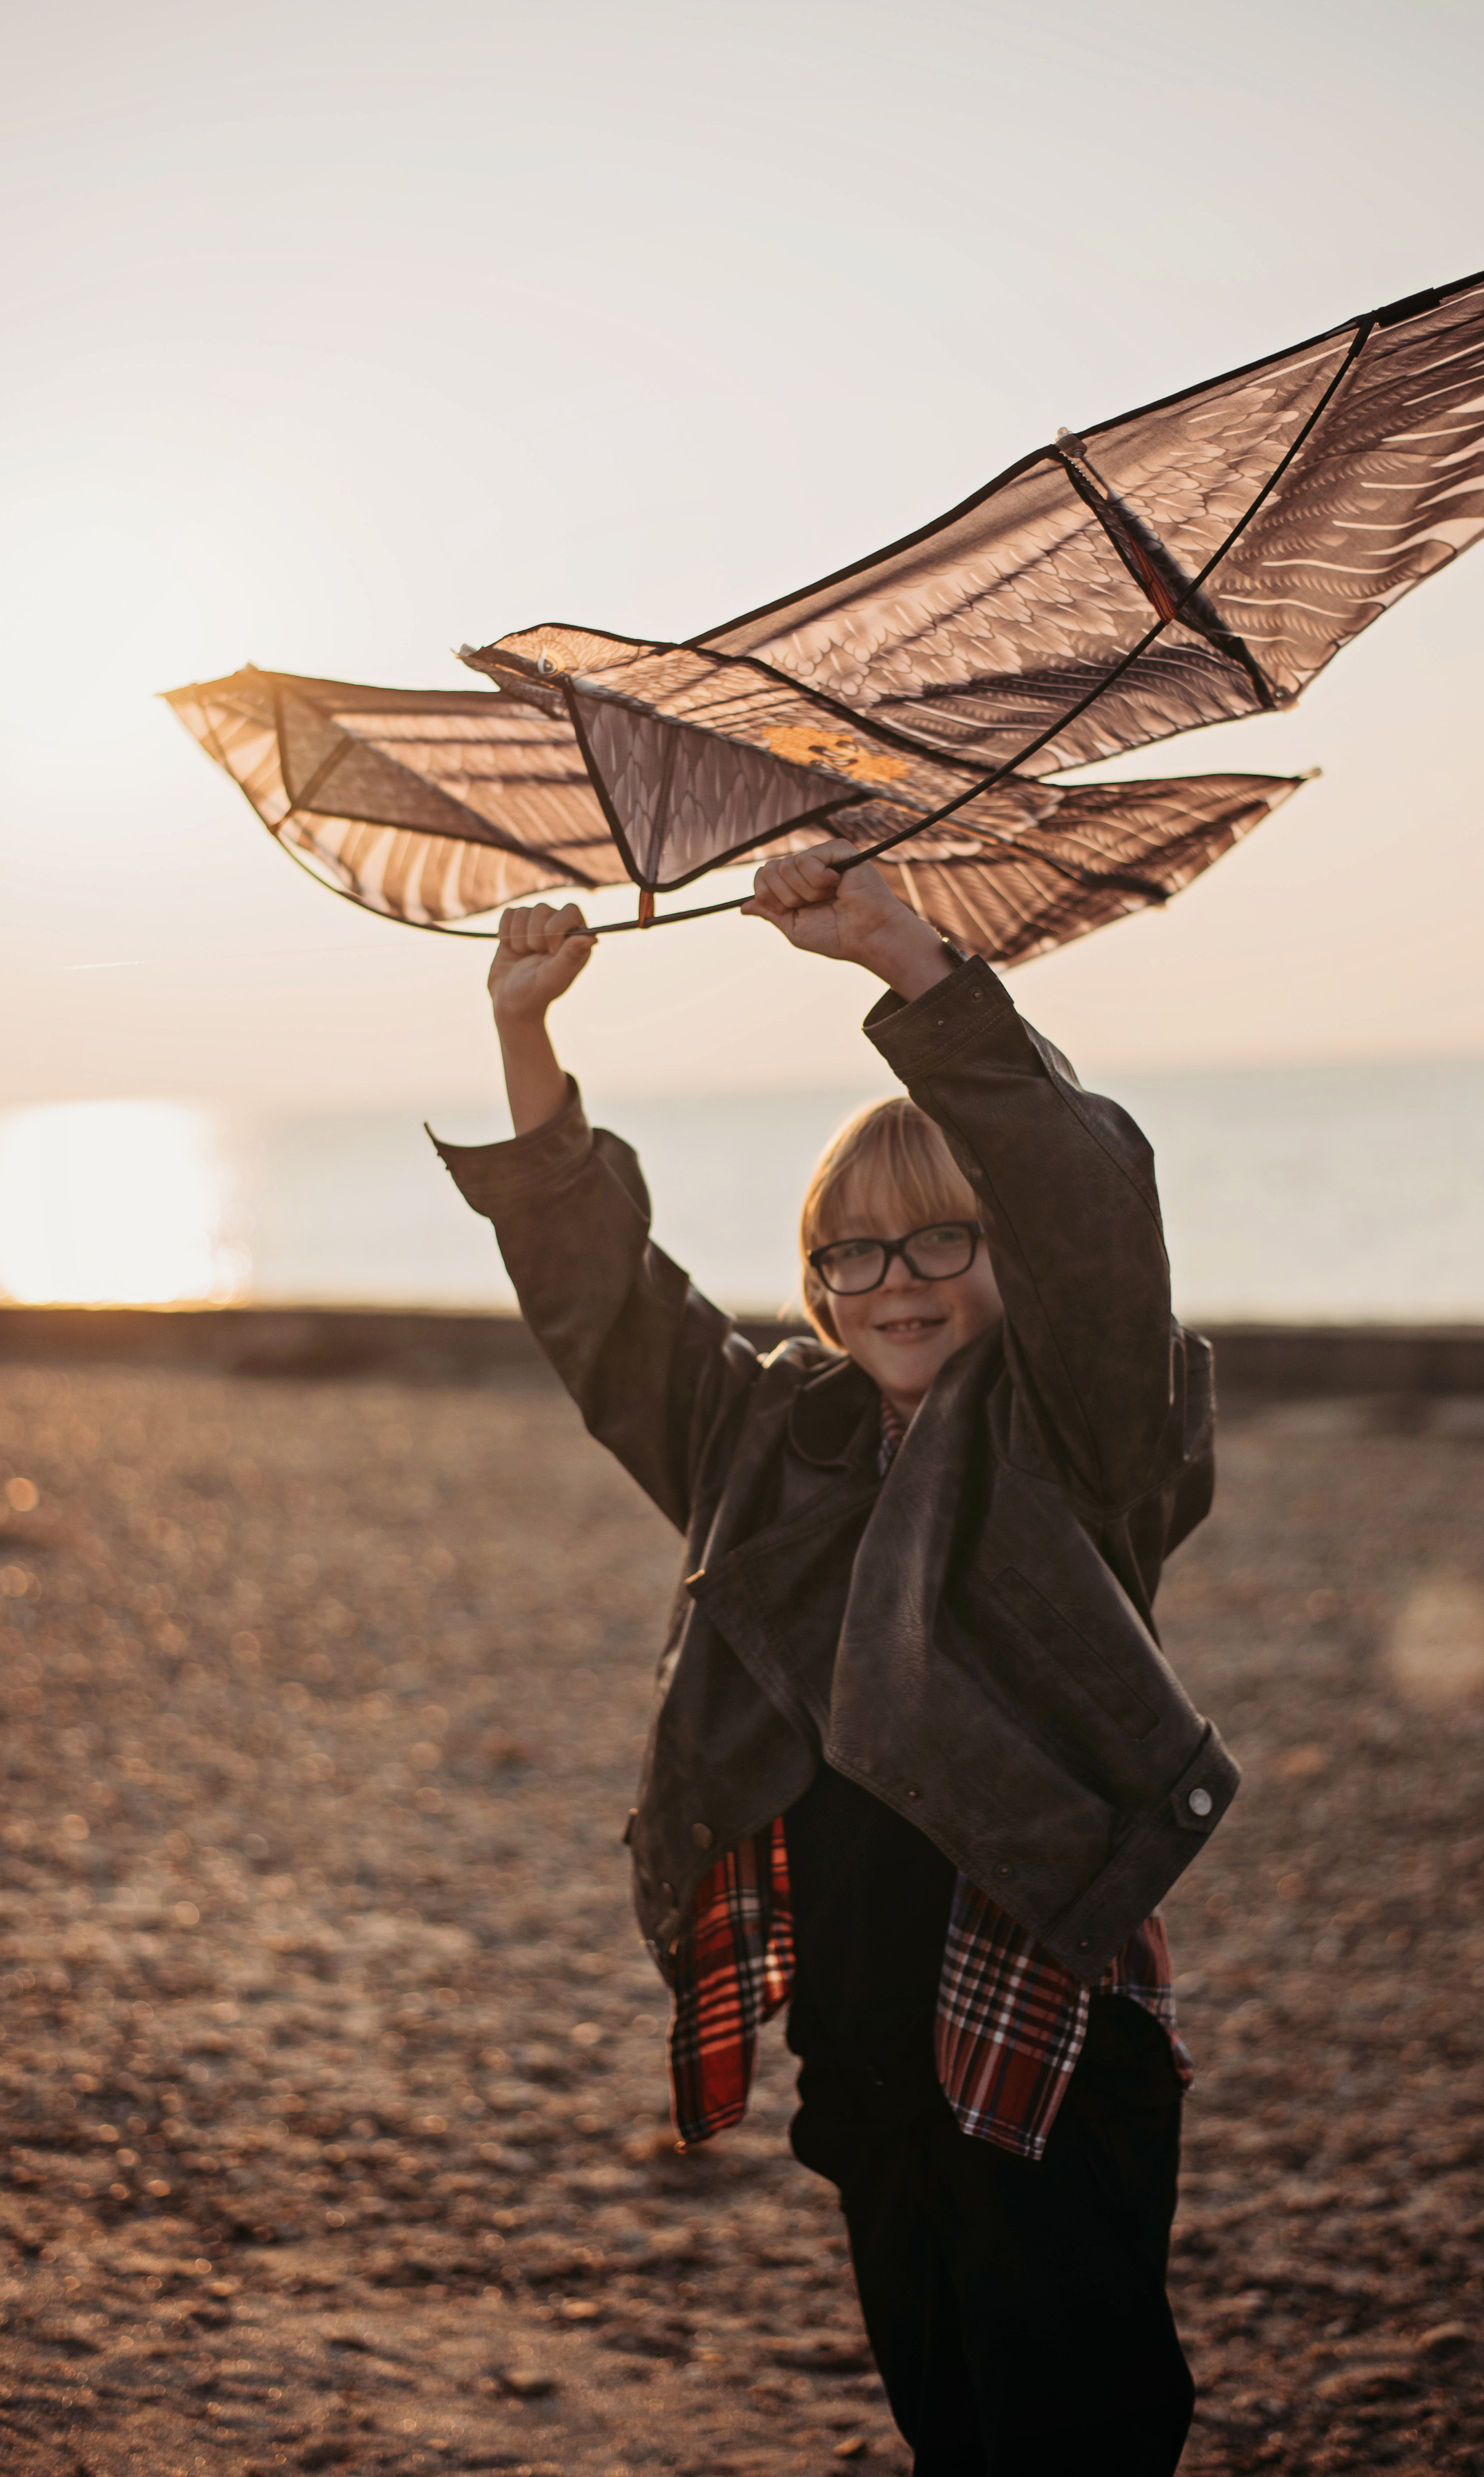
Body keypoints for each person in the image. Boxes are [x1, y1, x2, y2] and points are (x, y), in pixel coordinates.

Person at [429, 841, 1237, 2477]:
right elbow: (607, 1317)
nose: (897, 1285)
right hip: (861, 2048)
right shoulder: (767, 1442)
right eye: (851, 1255)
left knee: (1075, 2427)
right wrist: (524, 1034)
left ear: (1004, 1261)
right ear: (815, 1283)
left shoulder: (1081, 1427)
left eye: (941, 1241)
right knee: (947, 2416)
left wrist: (904, 965)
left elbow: (1087, 1210)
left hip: (1043, 2031)